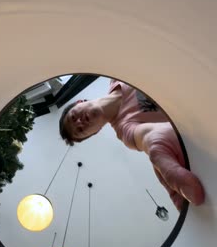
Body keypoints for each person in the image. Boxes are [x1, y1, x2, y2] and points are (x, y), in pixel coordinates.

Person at [59, 79, 205, 210]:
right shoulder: (125, 130)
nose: (79, 123)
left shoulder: (117, 76)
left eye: (73, 117)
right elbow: (145, 136)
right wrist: (154, 143)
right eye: (80, 131)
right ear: (95, 132)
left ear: (79, 102)